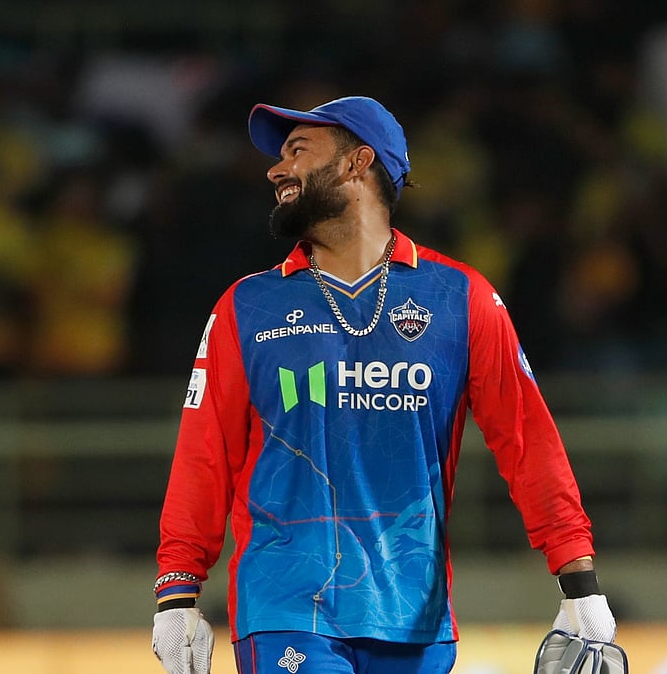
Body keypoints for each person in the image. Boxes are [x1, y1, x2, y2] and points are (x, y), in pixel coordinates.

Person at [151, 96, 617, 674]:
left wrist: (579, 580)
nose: (275, 169)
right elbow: (203, 455)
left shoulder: (461, 299)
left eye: (297, 150)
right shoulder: (246, 306)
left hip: (415, 618)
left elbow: (528, 444)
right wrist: (177, 590)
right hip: (287, 609)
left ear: (357, 163)